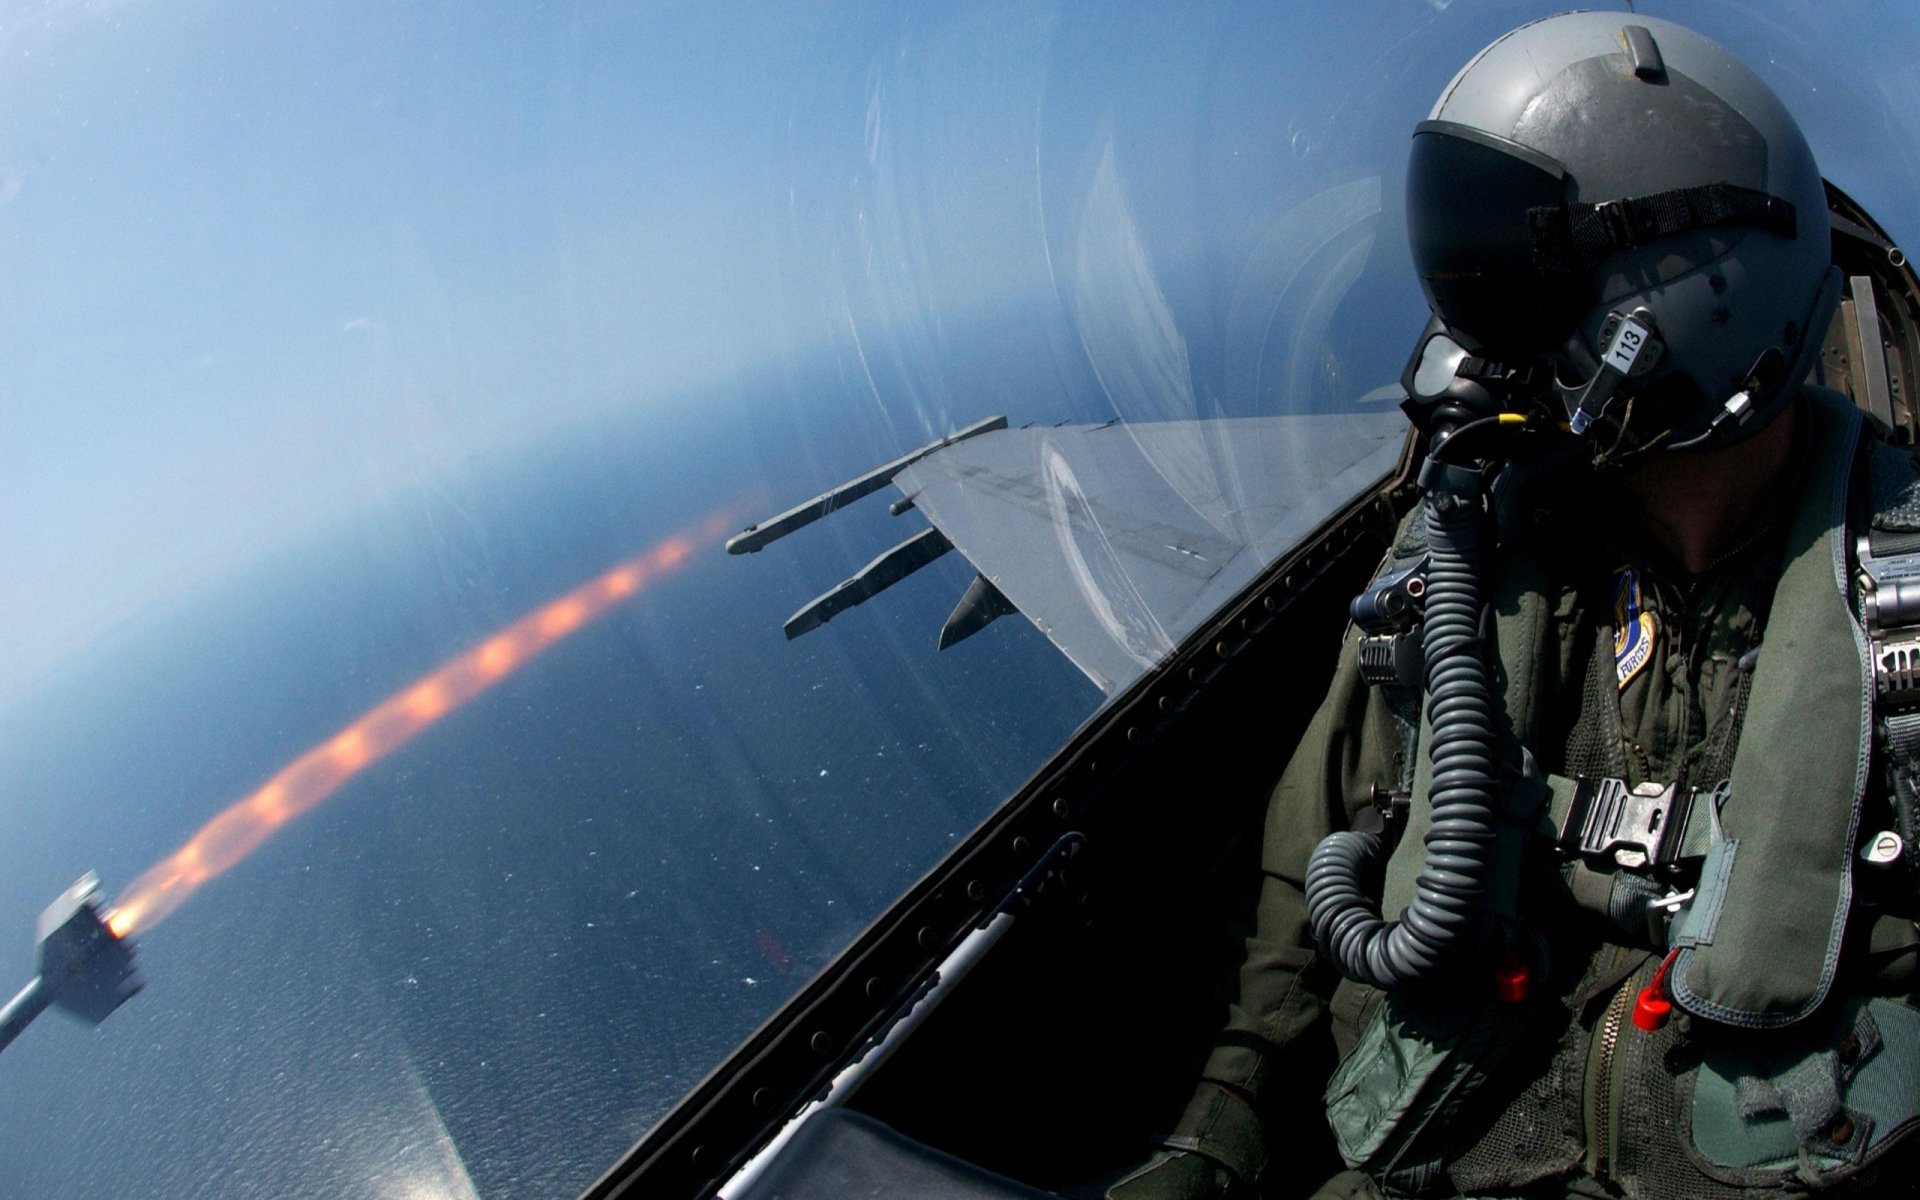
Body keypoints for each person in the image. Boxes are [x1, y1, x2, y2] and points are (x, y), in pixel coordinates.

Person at [1109, 13, 1920, 1199]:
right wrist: (1218, 1123)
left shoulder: (1896, 599)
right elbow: (1309, 857)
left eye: (1515, 296)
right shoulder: (1468, 566)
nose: (1468, 357)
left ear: (1697, 297)